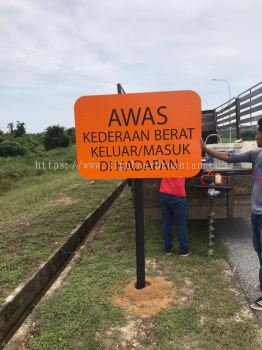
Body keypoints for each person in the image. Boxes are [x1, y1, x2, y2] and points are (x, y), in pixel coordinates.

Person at [202, 117, 262, 311]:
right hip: (255, 213)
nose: (255, 135)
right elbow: (230, 157)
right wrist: (205, 149)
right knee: (259, 250)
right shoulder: (256, 155)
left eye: (257, 132)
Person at [159, 177, 191, 256]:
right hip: (178, 194)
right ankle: (184, 250)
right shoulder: (183, 164)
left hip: (163, 192)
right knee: (181, 223)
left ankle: (168, 249)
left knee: (166, 222)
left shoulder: (165, 163)